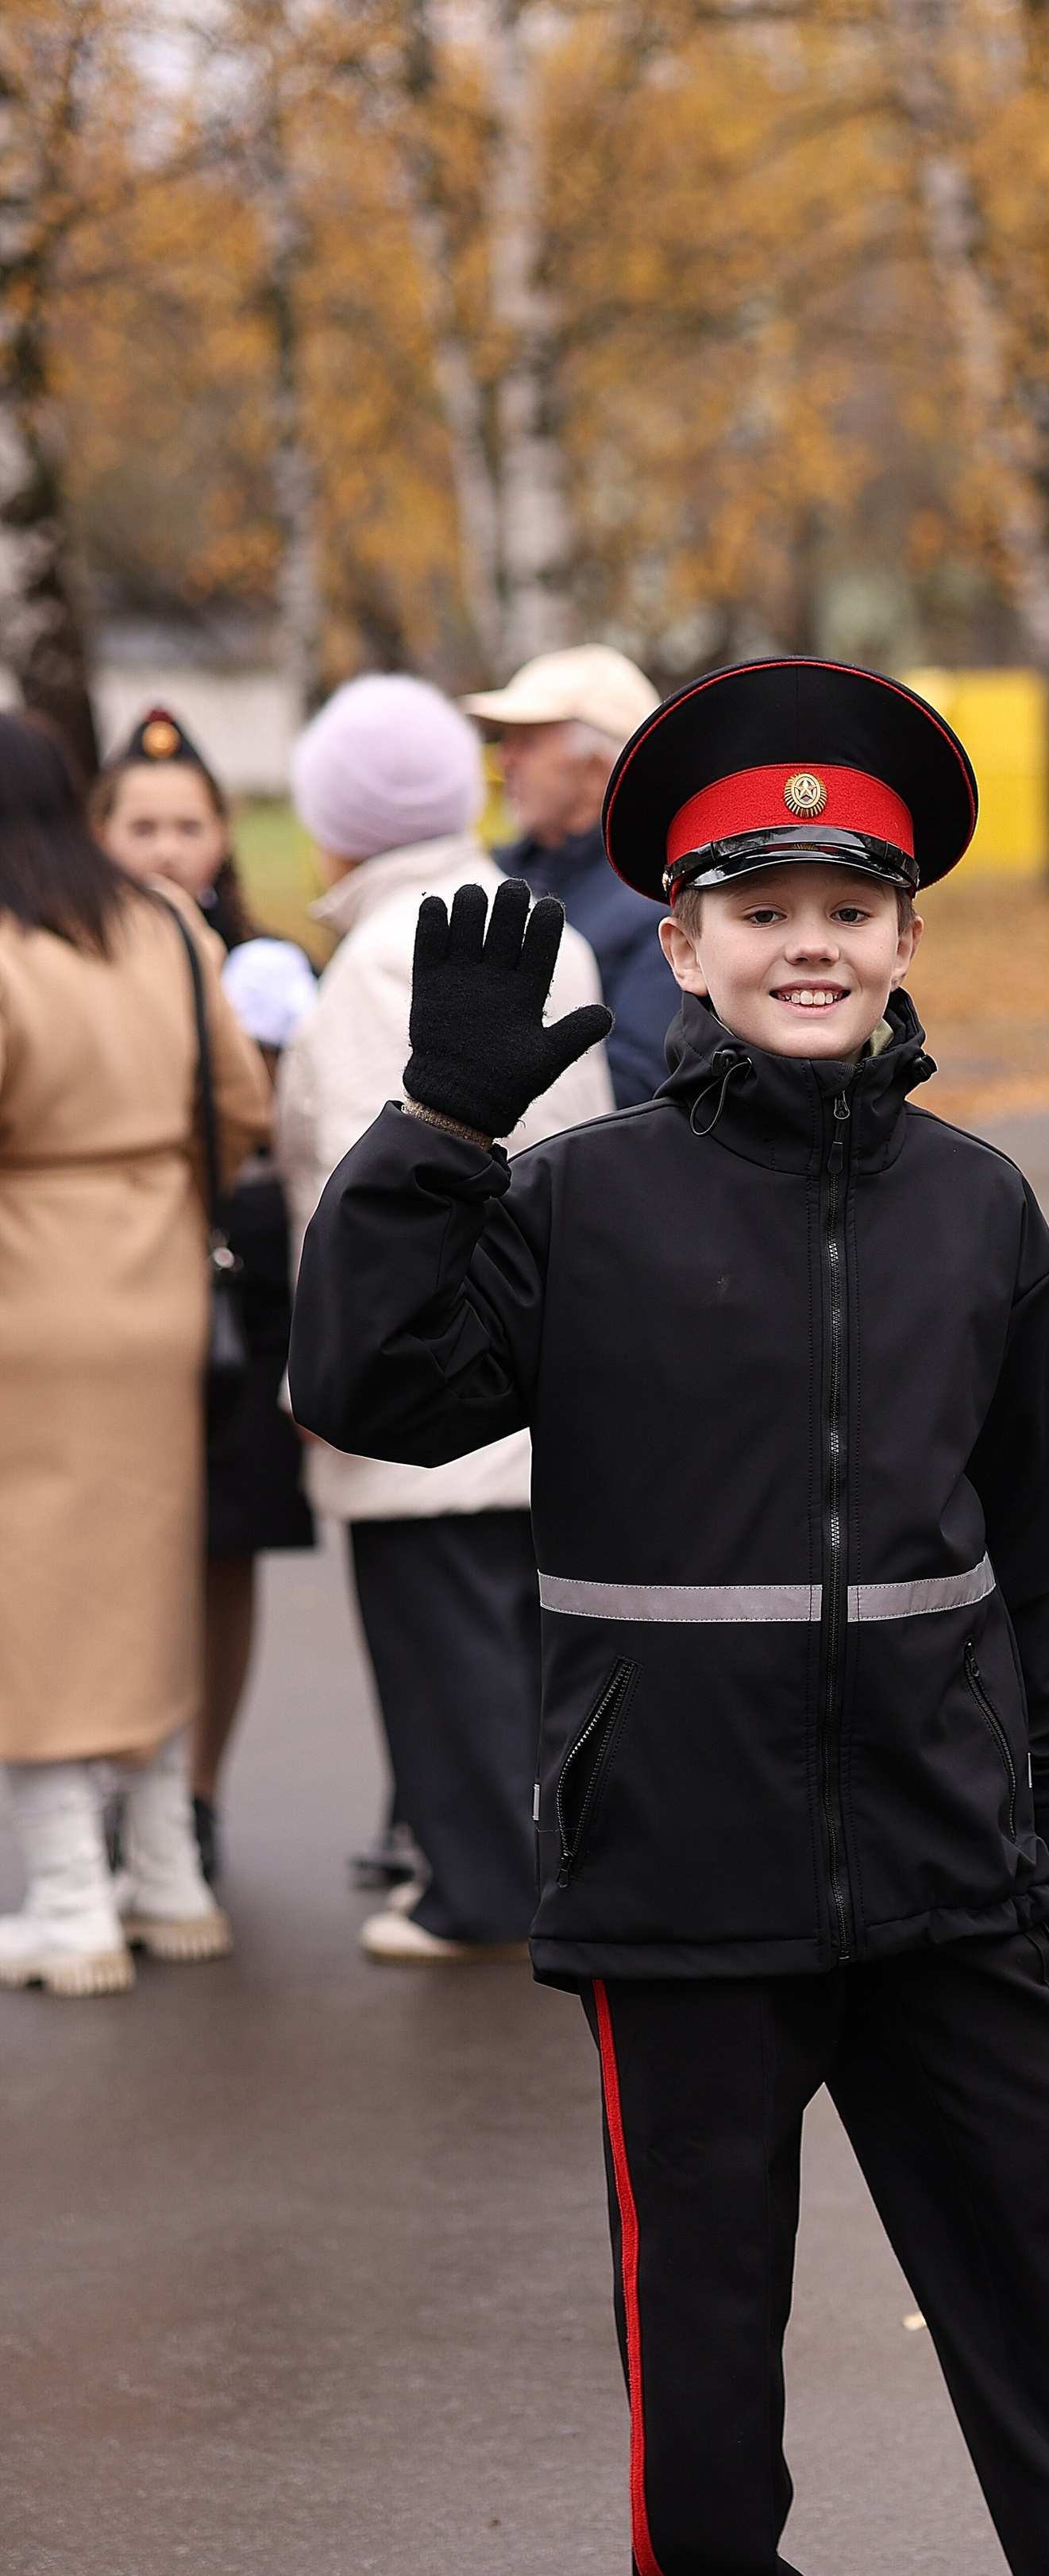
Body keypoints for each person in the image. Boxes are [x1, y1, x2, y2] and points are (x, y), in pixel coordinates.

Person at [290, 658, 1049, 2576]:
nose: (810, 940)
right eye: (756, 902)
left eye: (853, 903)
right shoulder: (582, 1200)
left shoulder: (983, 1208)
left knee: (1043, 2237)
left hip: (948, 1838)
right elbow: (365, 1382)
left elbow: (1033, 1541)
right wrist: (438, 1138)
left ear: (904, 938)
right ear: (677, 946)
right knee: (709, 2301)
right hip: (680, 1853)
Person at [275, 673, 612, 1962]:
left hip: (432, 1360)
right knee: (521, 1642)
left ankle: (474, 1887)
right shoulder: (532, 916)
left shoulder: (376, 956)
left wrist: (335, 1362)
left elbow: (378, 1182)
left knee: (445, 1646)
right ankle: (527, 1866)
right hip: (545, 1332)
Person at [0, 711, 268, 1995]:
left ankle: (66, 1897)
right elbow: (239, 1104)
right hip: (161, 1279)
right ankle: (165, 1872)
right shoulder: (165, 925)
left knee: (35, 1590)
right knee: (154, 1564)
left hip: (27, 1292)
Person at [94, 707, 320, 1881]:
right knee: (109, 1539)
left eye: (187, 825)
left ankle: (197, 1795)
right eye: (142, 826)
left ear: (223, 836)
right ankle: (108, 1779)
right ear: (101, 835)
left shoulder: (271, 967)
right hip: (106, 1279)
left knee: (224, 1540)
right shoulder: (61, 961)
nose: (167, 848)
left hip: (241, 1274)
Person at [461, 645, 670, 1106]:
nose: (503, 762)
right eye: (505, 741)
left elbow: (633, 1093)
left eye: (526, 743)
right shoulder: (489, 871)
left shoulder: (660, 911)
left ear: (599, 772)